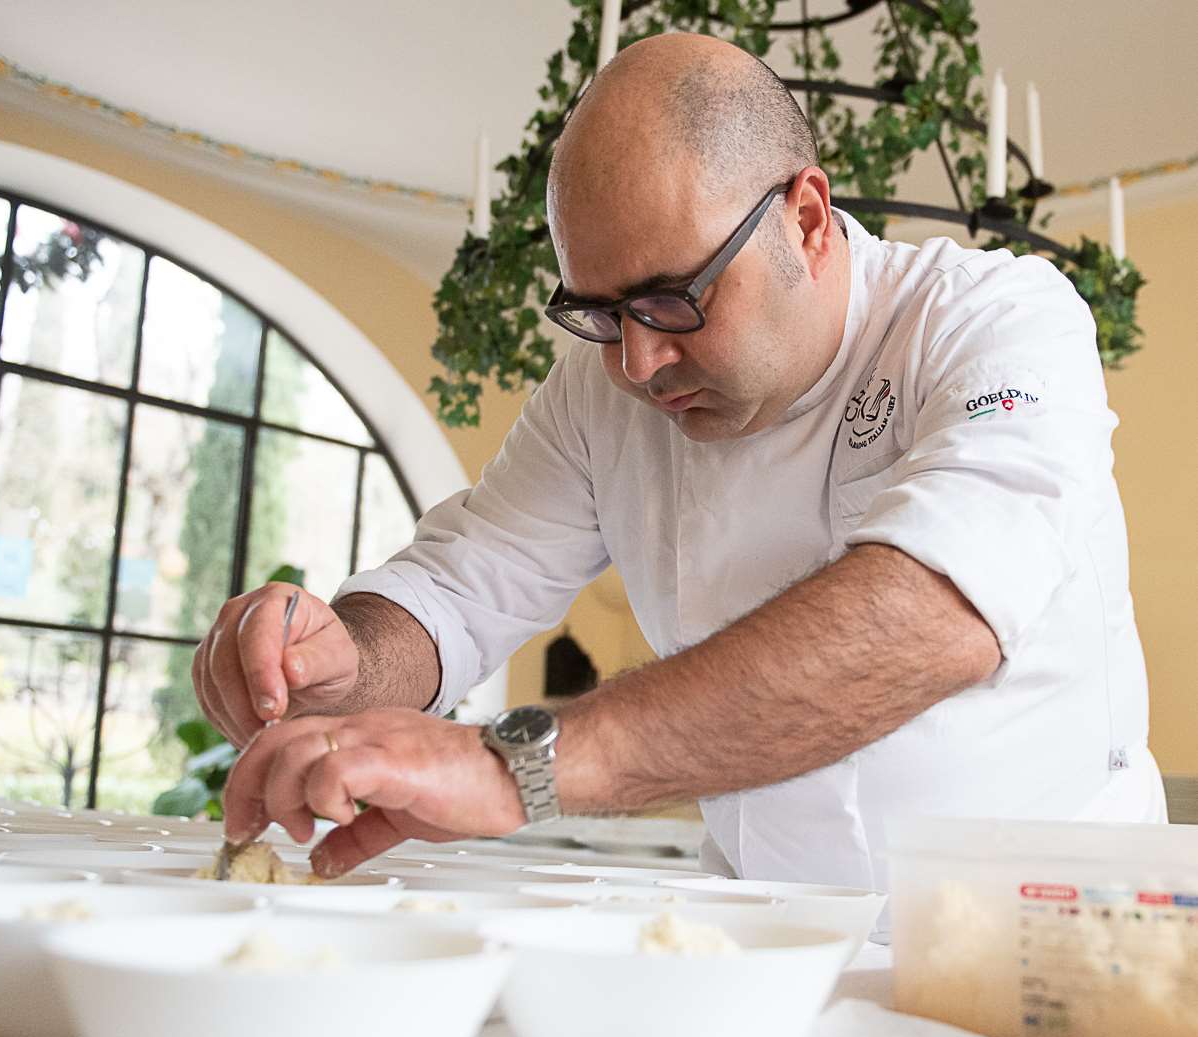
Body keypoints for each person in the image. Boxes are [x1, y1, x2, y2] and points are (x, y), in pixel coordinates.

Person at [192, 31, 1166, 888]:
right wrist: (343, 666)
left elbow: (943, 610)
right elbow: (458, 588)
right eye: (598, 311)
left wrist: (516, 766)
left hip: (1050, 924)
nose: (636, 362)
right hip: (761, 924)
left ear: (809, 220)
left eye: (670, 297)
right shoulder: (595, 388)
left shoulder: (995, 317)